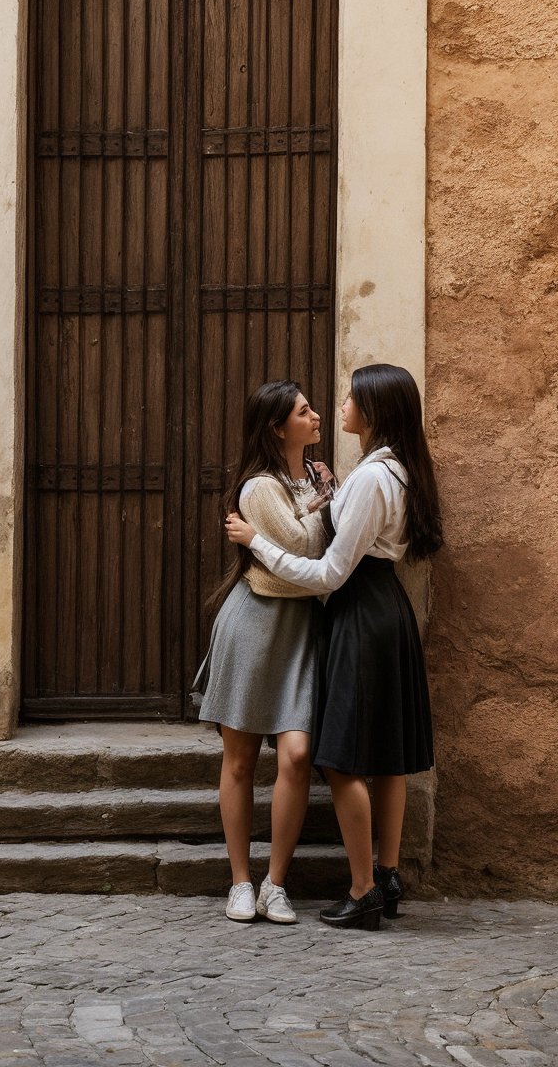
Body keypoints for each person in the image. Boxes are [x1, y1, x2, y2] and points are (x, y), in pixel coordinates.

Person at [225, 363, 442, 932]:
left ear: (371, 412)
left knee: (342, 758)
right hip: (379, 606)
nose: (335, 406)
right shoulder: (386, 469)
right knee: (388, 758)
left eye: (348, 398)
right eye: (310, 407)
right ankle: (385, 876)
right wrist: (326, 499)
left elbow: (326, 571)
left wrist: (256, 544)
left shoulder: (371, 477)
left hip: (359, 609)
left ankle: (364, 887)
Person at [193, 380, 334, 925]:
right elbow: (302, 552)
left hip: (303, 627)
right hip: (253, 623)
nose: (316, 416)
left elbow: (321, 554)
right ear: (279, 428)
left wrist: (308, 517)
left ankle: (277, 882)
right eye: (304, 412)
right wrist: (322, 511)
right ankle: (240, 882)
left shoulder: (320, 478)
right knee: (241, 758)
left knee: (296, 754)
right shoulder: (257, 488)